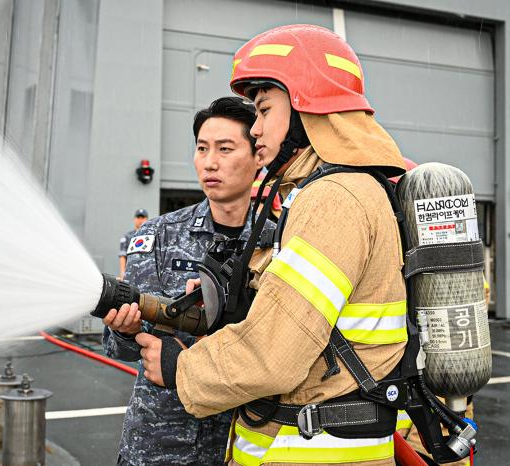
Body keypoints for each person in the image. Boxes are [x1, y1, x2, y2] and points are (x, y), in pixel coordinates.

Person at [136, 25, 410, 465]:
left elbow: (276, 353)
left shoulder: (334, 199)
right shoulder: (343, 192)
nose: (256, 130)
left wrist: (181, 368)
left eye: (264, 111)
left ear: (307, 107)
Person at [102, 96, 274, 466]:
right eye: (201, 148)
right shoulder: (158, 235)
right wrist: (123, 330)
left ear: (258, 157)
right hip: (159, 447)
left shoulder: (278, 243)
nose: (209, 162)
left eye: (225, 149)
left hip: (245, 445)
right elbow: (119, 349)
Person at [118, 209, 148, 279]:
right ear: (134, 219)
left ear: (147, 219)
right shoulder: (127, 236)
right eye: (138, 218)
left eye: (142, 218)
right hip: (131, 273)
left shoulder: (151, 236)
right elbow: (122, 256)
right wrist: (123, 273)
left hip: (146, 273)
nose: (140, 220)